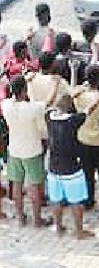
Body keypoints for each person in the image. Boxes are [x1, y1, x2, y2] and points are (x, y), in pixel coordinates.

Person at [3, 75, 50, 227]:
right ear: (24, 91)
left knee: (16, 184)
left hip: (14, 150)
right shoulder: (31, 108)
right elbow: (46, 102)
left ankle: (20, 217)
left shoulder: (6, 105)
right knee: (33, 185)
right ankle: (37, 220)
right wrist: (54, 85)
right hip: (32, 150)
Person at [45, 95, 94, 239]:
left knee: (56, 200)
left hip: (54, 168)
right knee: (76, 201)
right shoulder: (73, 121)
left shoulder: (49, 118)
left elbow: (50, 108)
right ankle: (79, 232)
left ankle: (59, 228)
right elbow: (88, 110)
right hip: (72, 169)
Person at [72, 65, 99, 213]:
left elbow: (72, 90)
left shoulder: (79, 96)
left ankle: (88, 200)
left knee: (87, 173)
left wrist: (78, 80)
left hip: (84, 138)